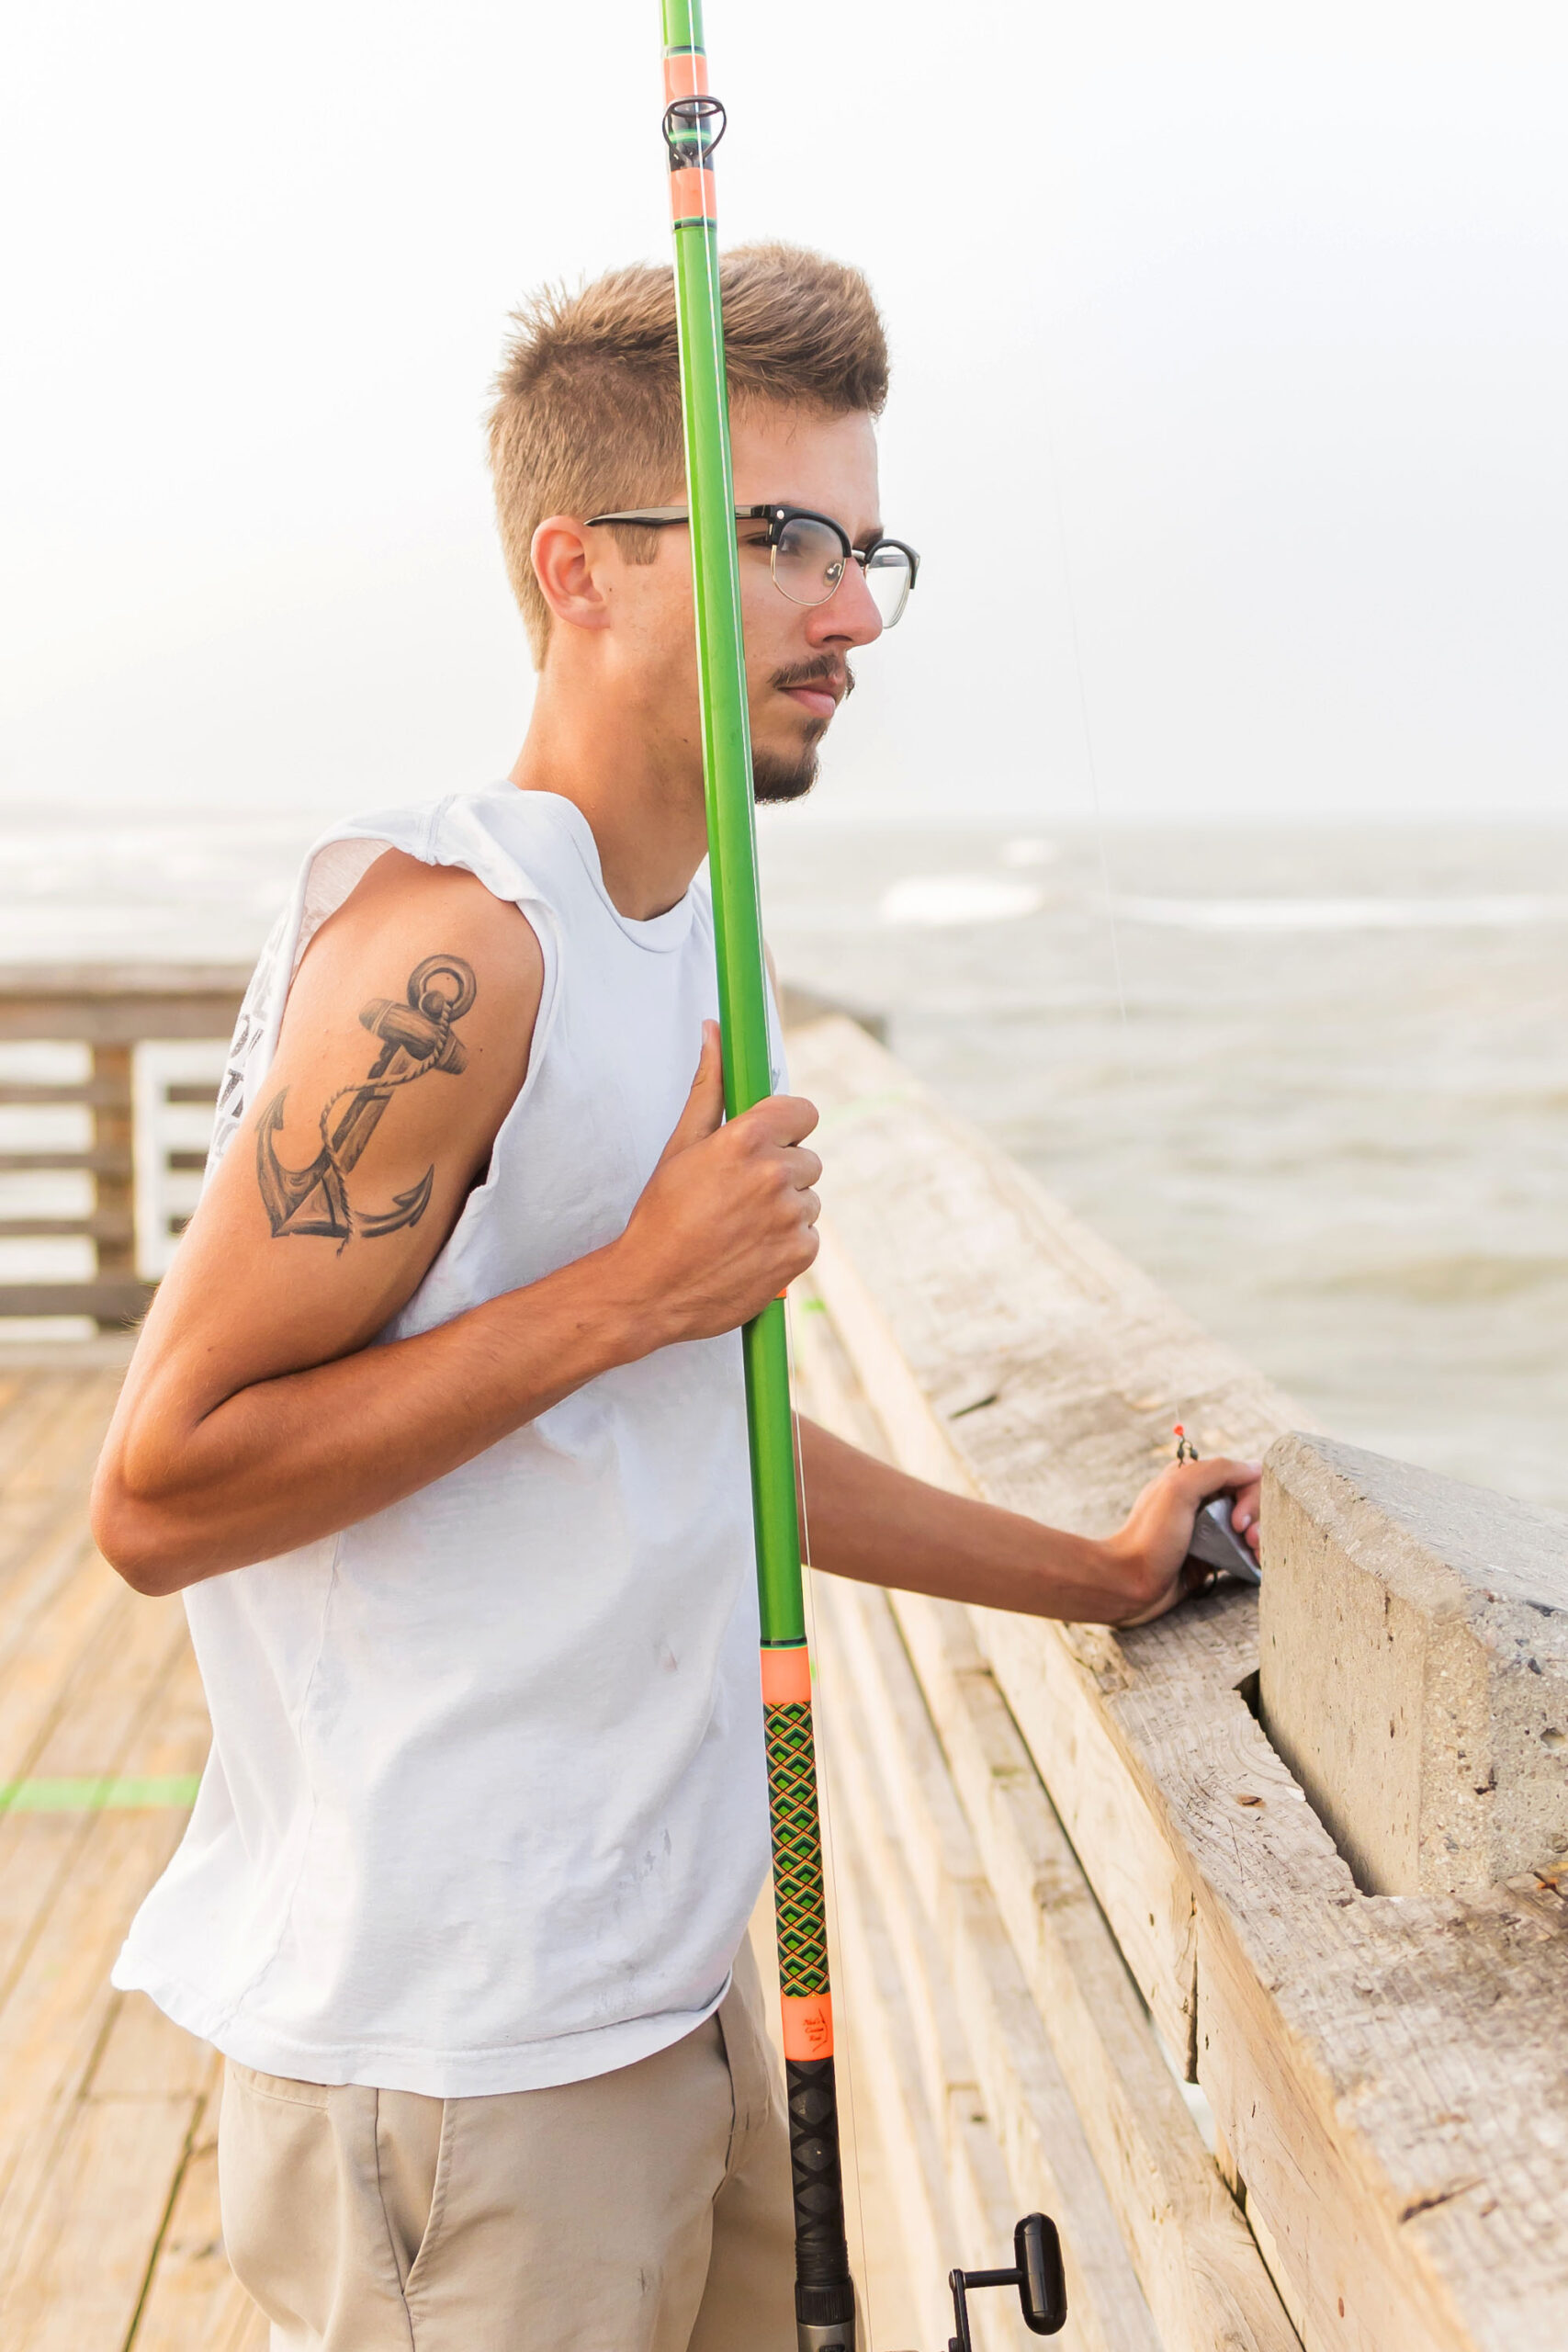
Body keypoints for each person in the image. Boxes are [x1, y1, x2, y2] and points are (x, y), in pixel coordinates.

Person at [92, 245, 1261, 2352]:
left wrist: (1091, 1578)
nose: (849, 606)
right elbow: (161, 1490)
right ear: (577, 569)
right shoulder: (452, 956)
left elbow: (680, 1428)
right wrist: (636, 1289)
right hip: (457, 2056)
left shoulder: (690, 926)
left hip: (660, 1978)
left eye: (864, 541)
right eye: (779, 535)